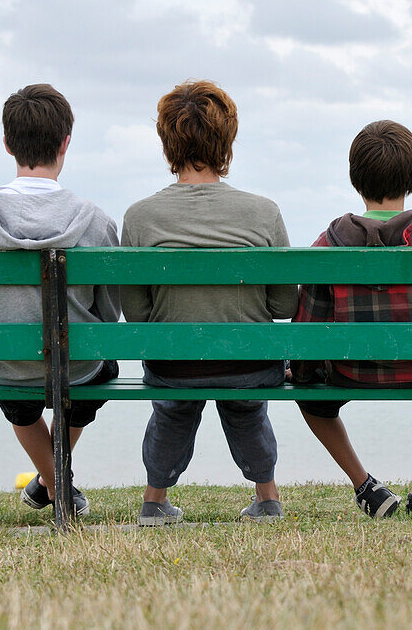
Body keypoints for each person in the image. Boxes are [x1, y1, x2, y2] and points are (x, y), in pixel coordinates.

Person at [289, 120, 412, 519]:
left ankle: (365, 486)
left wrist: (304, 375)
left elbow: (307, 336)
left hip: (348, 372)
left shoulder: (327, 247)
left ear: (355, 178)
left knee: (309, 397)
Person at [121, 80, 298, 526]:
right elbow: (282, 303)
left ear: (167, 143)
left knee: (172, 406)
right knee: (246, 403)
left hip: (171, 367)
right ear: (227, 140)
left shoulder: (140, 218)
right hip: (251, 367)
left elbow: (138, 315)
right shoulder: (263, 213)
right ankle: (268, 499)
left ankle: (154, 502)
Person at [0, 84, 121, 516]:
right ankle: (58, 484)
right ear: (65, 143)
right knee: (94, 368)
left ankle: (52, 483)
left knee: (17, 390)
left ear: (7, 144)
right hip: (79, 365)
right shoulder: (95, 221)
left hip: (2, 363)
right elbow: (109, 310)